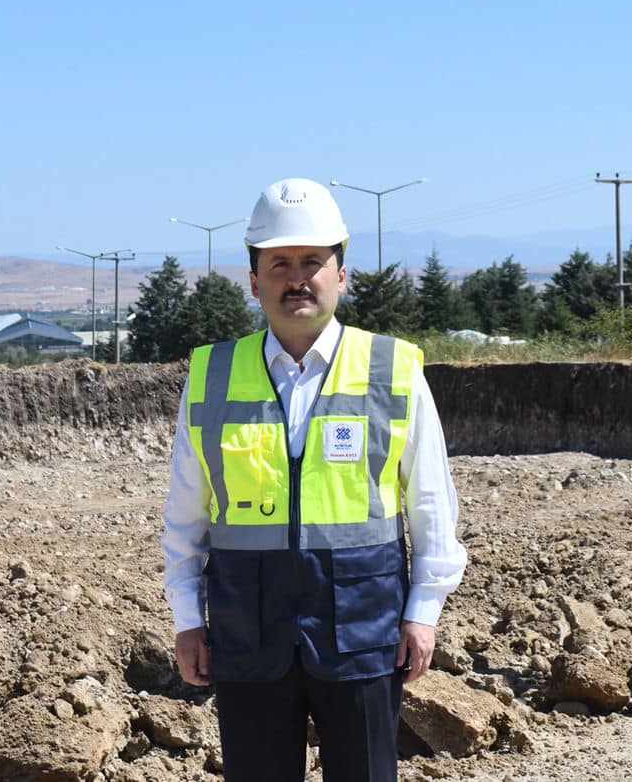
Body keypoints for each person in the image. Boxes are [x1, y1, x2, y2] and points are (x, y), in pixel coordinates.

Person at [161, 177, 466, 782]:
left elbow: (431, 500)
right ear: (254, 281)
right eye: (279, 263)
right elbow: (186, 513)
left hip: (363, 624)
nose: (296, 278)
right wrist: (187, 619)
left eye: (312, 261)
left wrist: (423, 610)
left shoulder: (392, 368)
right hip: (248, 631)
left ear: (342, 274)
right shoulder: (212, 374)